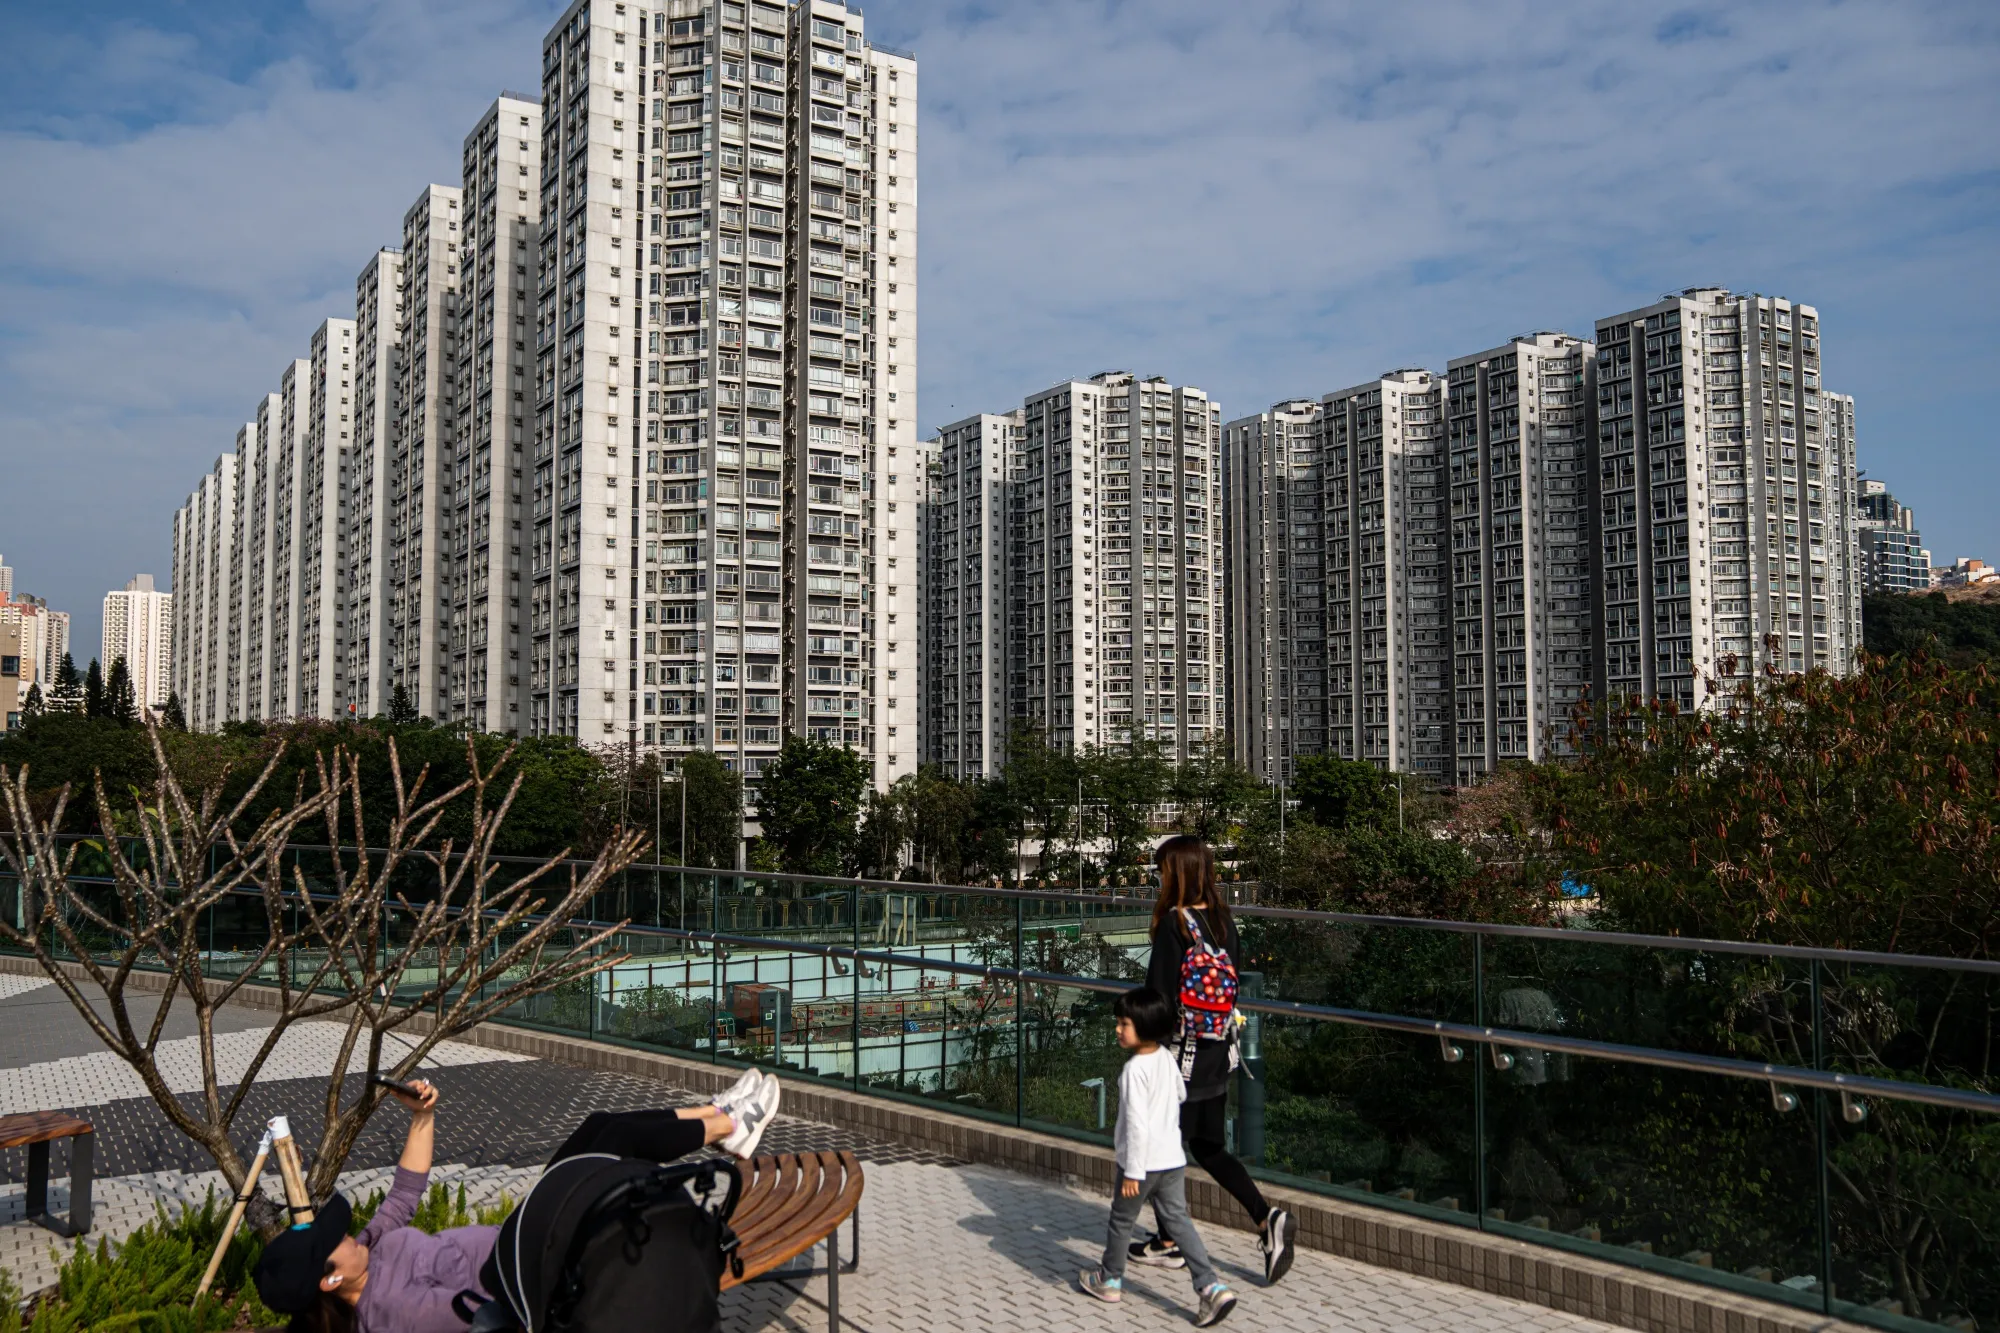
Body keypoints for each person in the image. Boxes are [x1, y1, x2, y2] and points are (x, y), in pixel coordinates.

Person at [253, 1067, 783, 1333]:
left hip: (524, 1238)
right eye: (334, 1241)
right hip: (540, 1272)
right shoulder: (392, 1310)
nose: (347, 1233)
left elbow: (404, 1194)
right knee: (609, 1147)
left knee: (598, 1129)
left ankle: (719, 1119)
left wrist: (420, 1116)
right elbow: (486, 1316)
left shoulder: (368, 1252)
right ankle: (729, 1123)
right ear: (331, 1280)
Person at [1131, 833, 1297, 1285]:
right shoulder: (1223, 921)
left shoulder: (1173, 925)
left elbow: (1160, 999)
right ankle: (1266, 1218)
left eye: (1161, 869)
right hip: (1218, 1052)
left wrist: (1141, 1046)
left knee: (1161, 1148)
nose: (1157, 876)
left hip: (1180, 1059)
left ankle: (1170, 1244)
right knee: (1206, 1146)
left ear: (1176, 873)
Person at [1077, 987, 1237, 1327]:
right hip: (1173, 1161)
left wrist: (1133, 1171)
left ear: (1145, 1027)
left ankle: (1108, 1279)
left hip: (1142, 1165)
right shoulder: (1166, 1057)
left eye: (1124, 1024)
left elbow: (1135, 1125)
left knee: (1122, 1221)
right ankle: (1210, 1286)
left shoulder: (1134, 1070)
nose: (1118, 1030)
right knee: (1179, 1223)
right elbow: (1180, 1092)